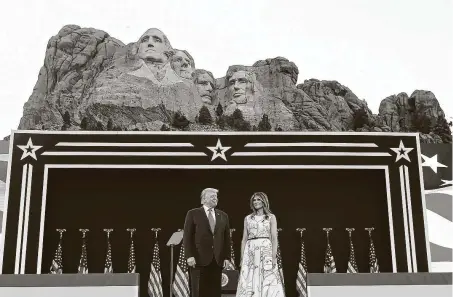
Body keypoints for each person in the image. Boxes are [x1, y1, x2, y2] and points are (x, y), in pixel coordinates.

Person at [183, 188, 232, 297]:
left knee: (214, 292)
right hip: (198, 259)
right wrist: (189, 256)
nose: (215, 198)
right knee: (199, 291)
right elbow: (187, 237)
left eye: (216, 196)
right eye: (212, 196)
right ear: (203, 200)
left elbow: (227, 239)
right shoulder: (193, 213)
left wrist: (227, 257)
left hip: (217, 260)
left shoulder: (223, 215)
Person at [236, 192, 285, 297]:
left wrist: (273, 256)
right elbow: (244, 239)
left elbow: (274, 238)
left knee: (267, 277)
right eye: (254, 200)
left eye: (258, 199)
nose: (256, 202)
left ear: (264, 201)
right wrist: (242, 258)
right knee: (249, 277)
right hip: (250, 250)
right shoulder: (248, 218)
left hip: (265, 250)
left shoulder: (271, 217)